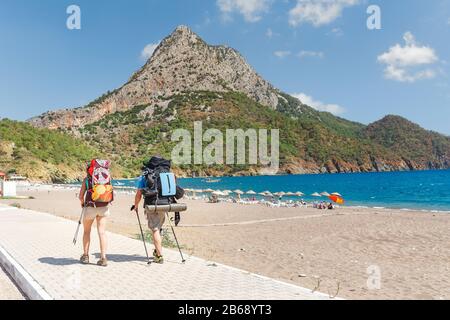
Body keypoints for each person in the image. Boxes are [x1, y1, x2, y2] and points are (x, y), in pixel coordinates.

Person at [78, 163, 111, 267]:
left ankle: (86, 256)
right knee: (102, 232)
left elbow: (80, 196)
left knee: (87, 231)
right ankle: (103, 258)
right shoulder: (107, 179)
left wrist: (82, 204)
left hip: (90, 207)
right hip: (103, 207)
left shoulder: (87, 180)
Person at [133, 175, 165, 264]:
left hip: (152, 205)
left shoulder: (145, 176)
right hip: (165, 204)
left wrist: (136, 205)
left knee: (155, 230)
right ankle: (157, 250)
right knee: (158, 228)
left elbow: (139, 194)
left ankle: (159, 256)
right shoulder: (163, 173)